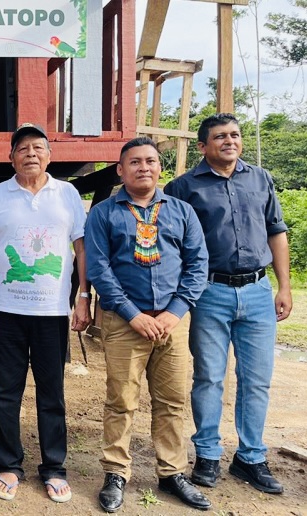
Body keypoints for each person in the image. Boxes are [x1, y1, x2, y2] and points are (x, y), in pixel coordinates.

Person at [164, 113, 291, 494]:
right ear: (203, 146)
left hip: (257, 290)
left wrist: (284, 287)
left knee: (256, 379)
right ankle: (207, 453)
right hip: (209, 292)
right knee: (209, 376)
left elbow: (276, 232)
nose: (229, 141)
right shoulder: (183, 187)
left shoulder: (260, 178)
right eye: (220, 137)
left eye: (234, 135)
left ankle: (250, 457)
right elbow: (173, 244)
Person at [85, 137, 211, 513]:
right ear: (120, 170)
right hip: (125, 321)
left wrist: (175, 311)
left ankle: (172, 472)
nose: (144, 167)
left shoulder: (182, 211)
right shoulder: (103, 213)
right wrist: (133, 314)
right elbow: (98, 268)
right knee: (121, 400)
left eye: (151, 161)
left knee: (172, 400)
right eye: (135, 162)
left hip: (172, 322)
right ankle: (115, 472)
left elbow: (197, 264)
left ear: (160, 167)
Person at [0, 123, 91, 504]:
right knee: (5, 392)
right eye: (22, 148)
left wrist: (83, 296)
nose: (30, 154)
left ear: (49, 156)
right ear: (11, 157)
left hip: (51, 311)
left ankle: (54, 467)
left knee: (51, 392)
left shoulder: (67, 194)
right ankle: (8, 464)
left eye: (38, 147)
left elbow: (81, 247)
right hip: (6, 310)